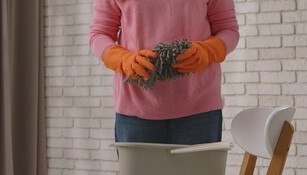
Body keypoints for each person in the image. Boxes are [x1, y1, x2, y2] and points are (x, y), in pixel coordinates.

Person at [89, 0, 239, 145]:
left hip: (199, 109)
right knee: (142, 173)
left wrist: (207, 51)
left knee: (197, 172)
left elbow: (228, 29)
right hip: (136, 108)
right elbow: (99, 34)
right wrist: (123, 59)